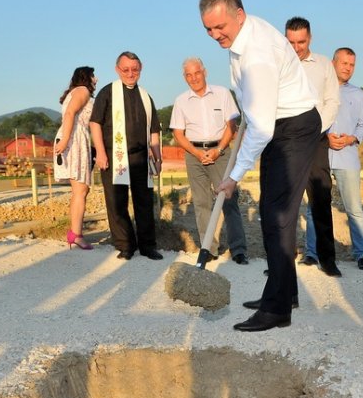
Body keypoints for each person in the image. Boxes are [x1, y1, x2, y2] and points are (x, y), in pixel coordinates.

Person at [200, 0, 321, 332]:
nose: (215, 35)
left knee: (277, 217)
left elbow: (262, 127)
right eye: (208, 29)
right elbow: (256, 114)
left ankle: (277, 309)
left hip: (292, 128)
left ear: (239, 14)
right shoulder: (241, 37)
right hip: (277, 126)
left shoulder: (257, 54)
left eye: (220, 27)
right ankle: (285, 292)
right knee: (272, 212)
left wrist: (234, 174)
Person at [170, 57, 249, 265]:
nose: (194, 78)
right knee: (201, 202)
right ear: (184, 77)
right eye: (189, 75)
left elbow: (231, 125)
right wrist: (197, 153)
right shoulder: (180, 101)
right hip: (194, 154)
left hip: (220, 152)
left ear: (204, 72)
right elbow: (178, 134)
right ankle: (209, 249)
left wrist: (218, 149)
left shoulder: (222, 94)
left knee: (229, 199)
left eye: (197, 73)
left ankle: (238, 249)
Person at [89, 51, 163, 261]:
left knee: (144, 202)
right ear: (117, 69)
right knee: (116, 202)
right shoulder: (108, 92)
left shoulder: (146, 96)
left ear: (140, 69)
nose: (130, 74)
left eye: (135, 69)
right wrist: (100, 153)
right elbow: (95, 123)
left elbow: (154, 129)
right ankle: (125, 245)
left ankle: (148, 245)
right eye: (126, 69)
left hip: (141, 157)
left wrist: (158, 156)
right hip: (113, 156)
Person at [285, 17, 341, 277]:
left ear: (311, 38)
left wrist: (317, 129)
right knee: (284, 203)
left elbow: (332, 101)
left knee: (321, 198)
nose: (296, 47)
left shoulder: (323, 65)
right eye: (291, 42)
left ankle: (327, 259)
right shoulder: (278, 64)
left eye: (301, 42)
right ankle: (280, 262)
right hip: (284, 139)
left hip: (316, 139)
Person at [328, 47, 363, 270]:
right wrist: (325, 138)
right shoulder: (320, 91)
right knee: (316, 206)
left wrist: (352, 138)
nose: (348, 68)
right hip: (321, 155)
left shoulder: (358, 94)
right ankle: (312, 252)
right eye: (344, 63)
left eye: (352, 65)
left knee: (354, 207)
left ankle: (362, 253)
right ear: (333, 63)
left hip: (348, 157)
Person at [54, 66, 97, 250]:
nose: (96, 78)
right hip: (75, 139)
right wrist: (65, 141)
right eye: (93, 75)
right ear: (87, 77)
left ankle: (75, 232)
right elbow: (71, 113)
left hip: (72, 137)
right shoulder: (83, 90)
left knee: (79, 190)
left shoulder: (74, 91)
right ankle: (76, 234)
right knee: (80, 190)